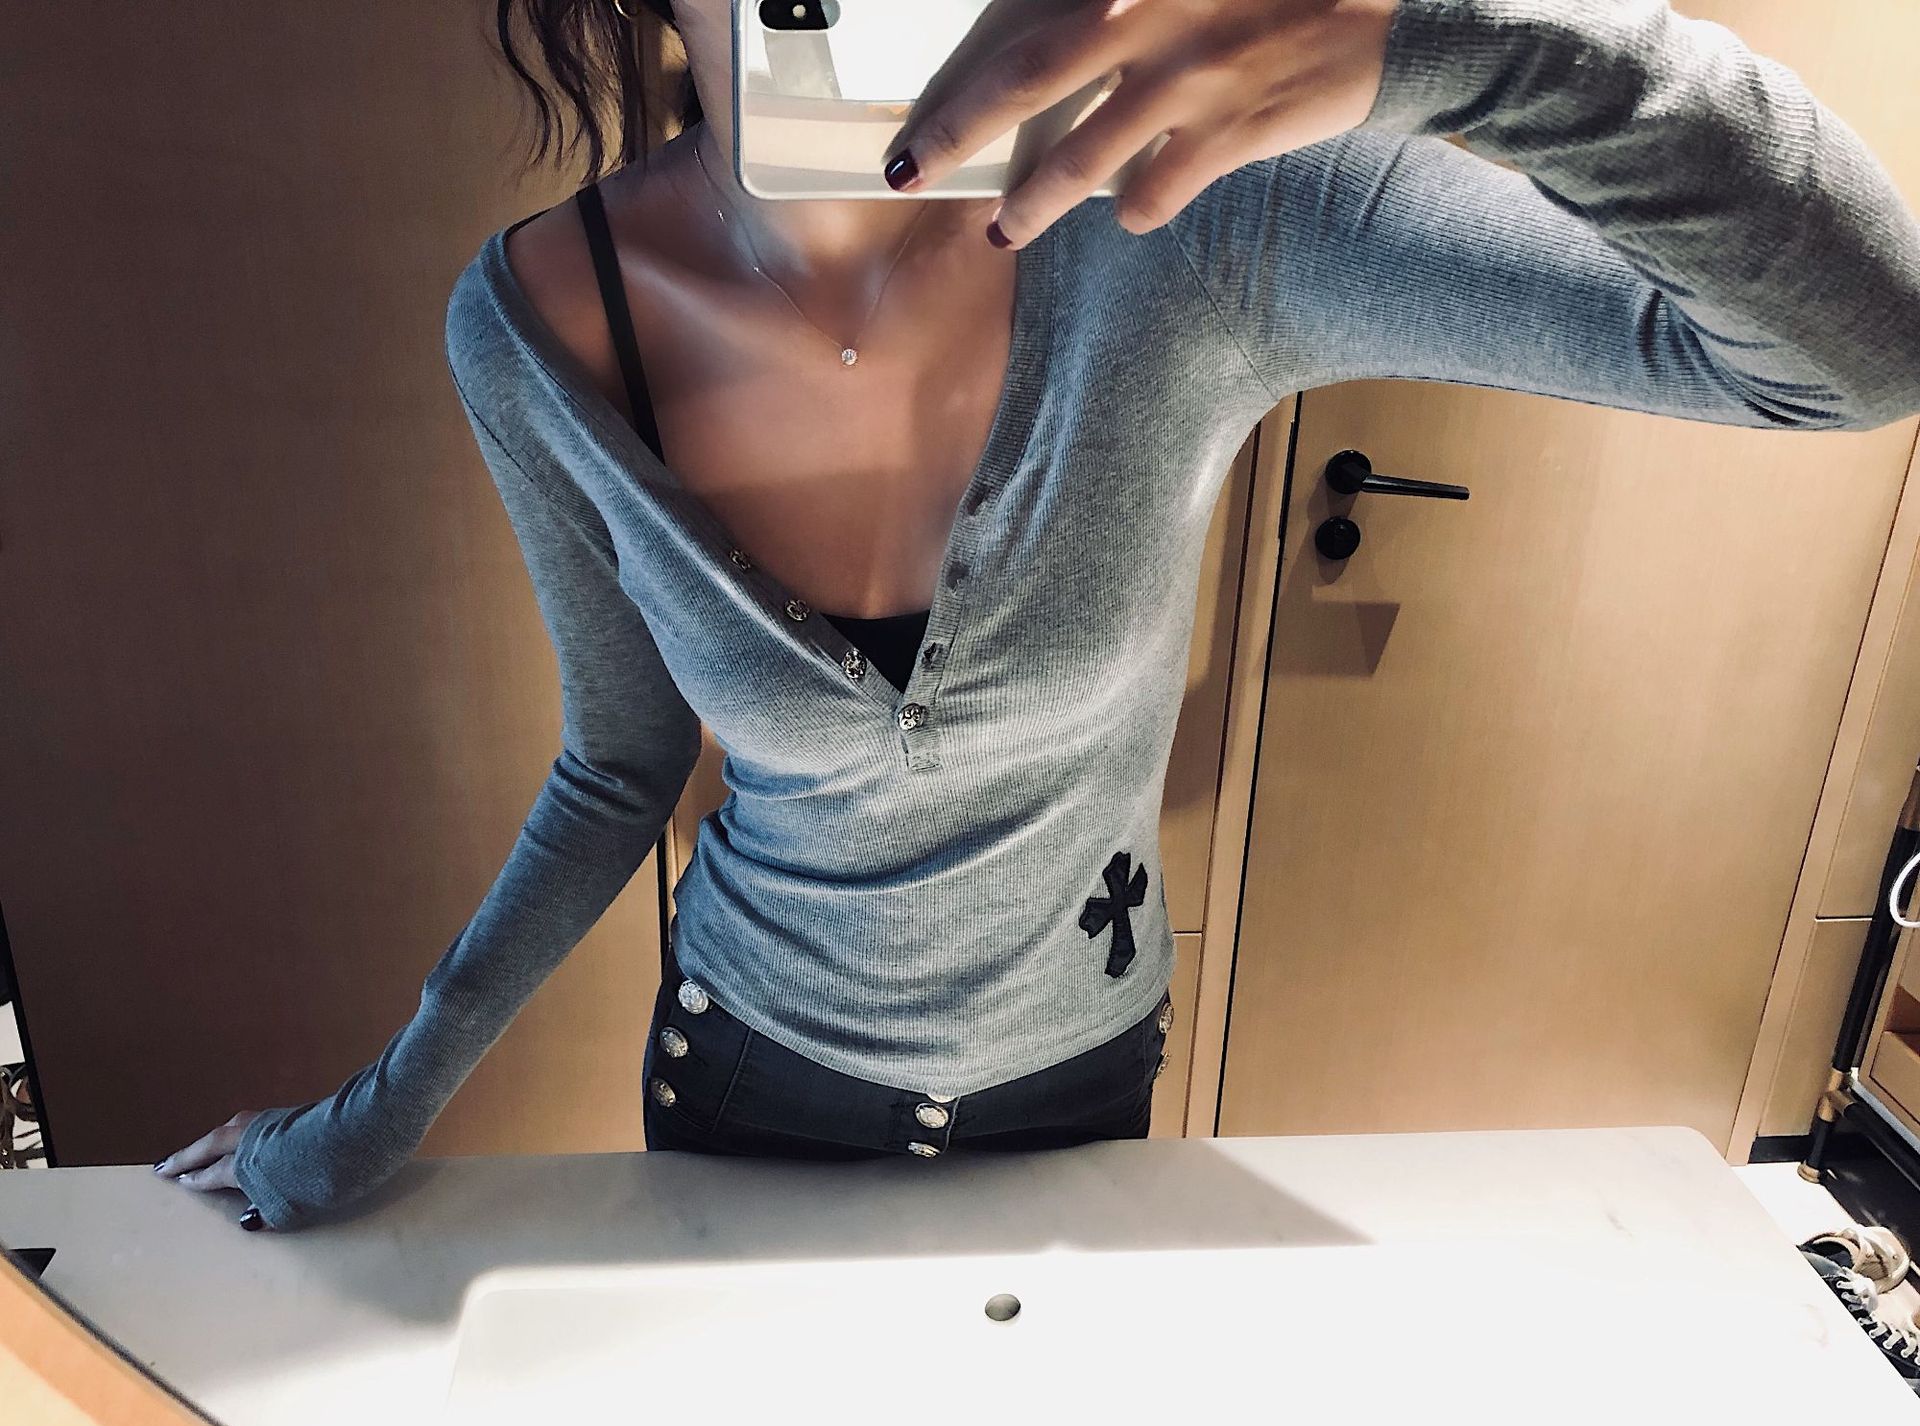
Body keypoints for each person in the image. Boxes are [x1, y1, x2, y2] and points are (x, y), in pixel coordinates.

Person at [154, 0, 1920, 1231]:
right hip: (742, 1084)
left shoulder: (1203, 217)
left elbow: (1852, 353)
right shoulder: (537, 323)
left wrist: (1438, 35)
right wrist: (376, 1114)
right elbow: (619, 764)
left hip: (1079, 1077)